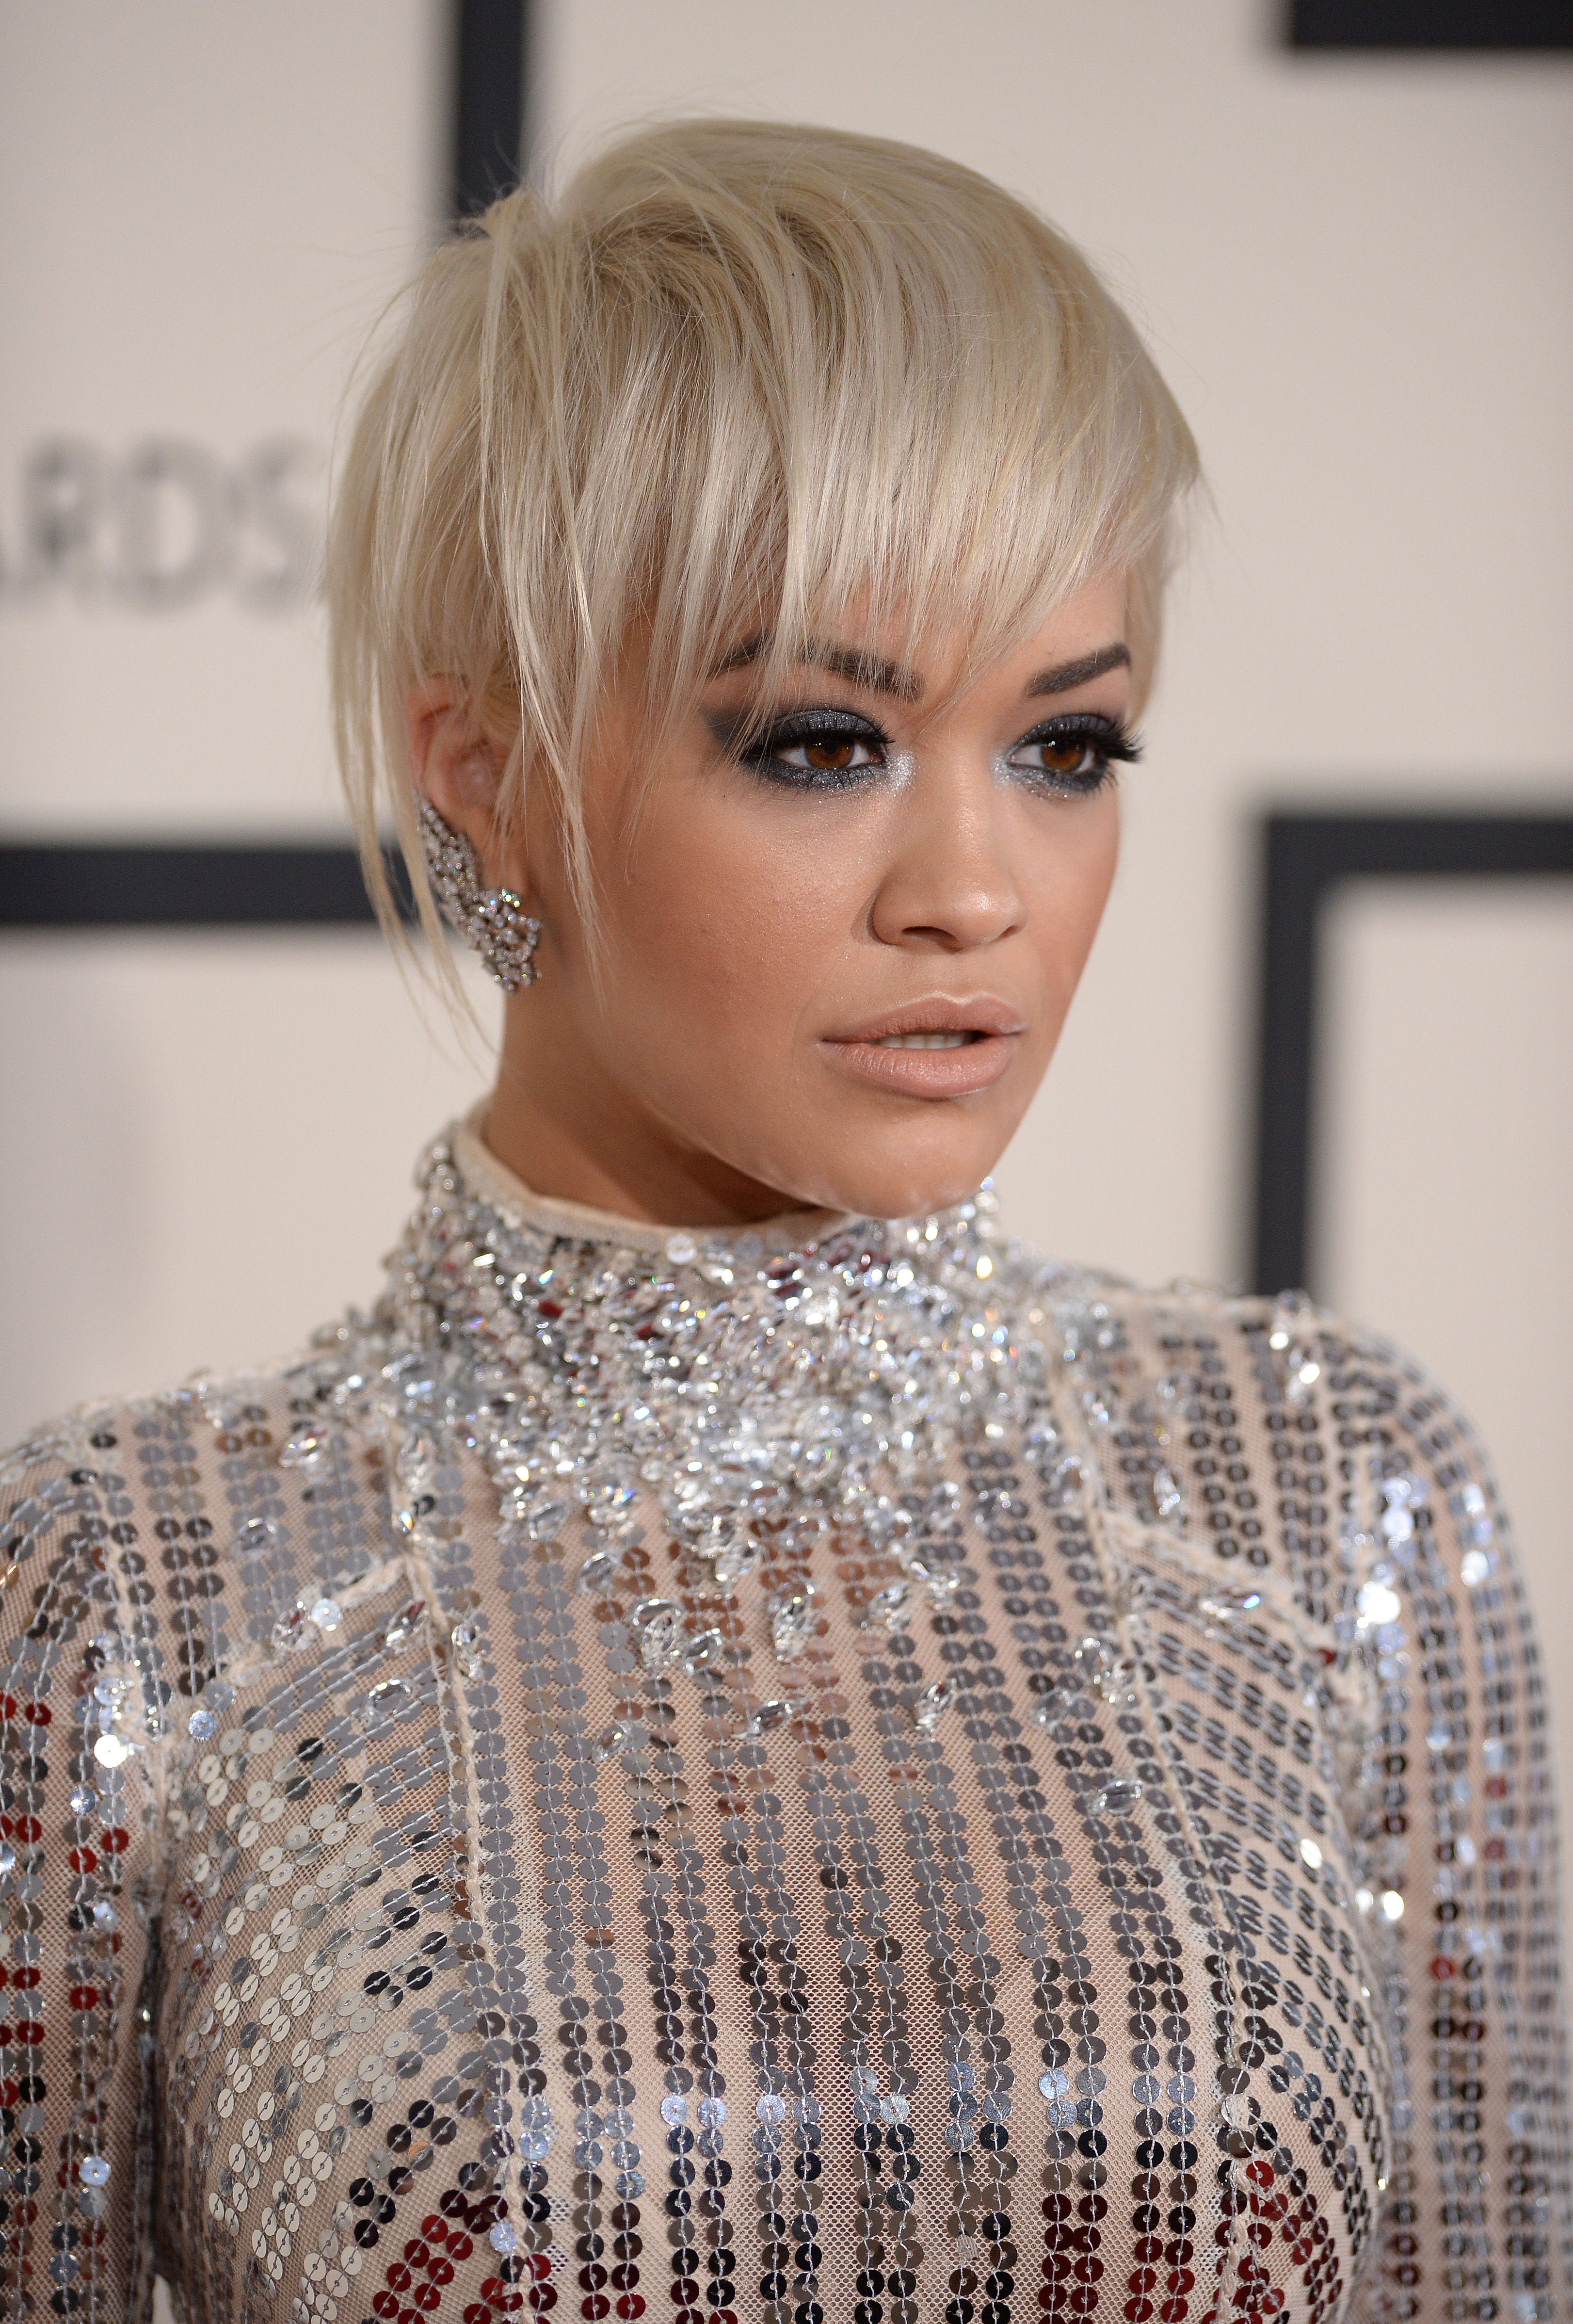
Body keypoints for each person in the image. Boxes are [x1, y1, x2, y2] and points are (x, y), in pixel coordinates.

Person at [0, 117, 1564, 2324]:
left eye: (1067, 747)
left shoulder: (1315, 1492)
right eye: (823, 742)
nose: (975, 891)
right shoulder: (142, 1596)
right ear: (485, 769)